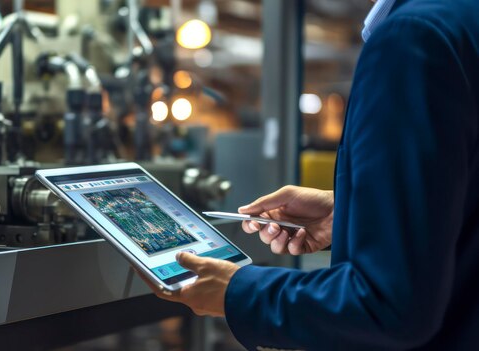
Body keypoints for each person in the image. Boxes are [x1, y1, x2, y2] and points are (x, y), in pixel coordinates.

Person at [140, 0, 479, 349]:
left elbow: (389, 306)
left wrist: (238, 290)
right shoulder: (462, 17)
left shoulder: (411, 37)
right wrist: (351, 213)